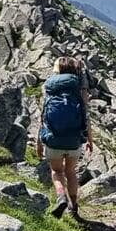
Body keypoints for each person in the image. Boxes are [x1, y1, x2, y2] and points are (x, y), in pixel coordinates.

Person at [37, 55, 92, 219]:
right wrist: (90, 140)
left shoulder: (49, 87)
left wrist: (39, 143)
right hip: (74, 140)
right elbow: (86, 116)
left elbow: (44, 116)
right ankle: (73, 207)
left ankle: (61, 197)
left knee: (56, 171)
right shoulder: (79, 89)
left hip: (53, 139)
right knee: (71, 172)